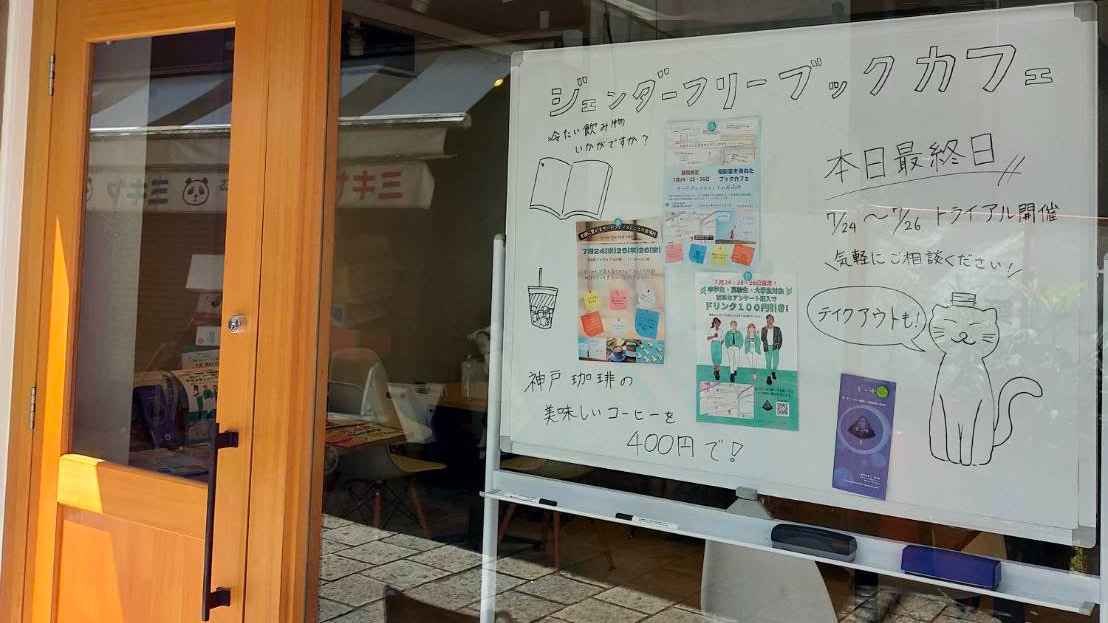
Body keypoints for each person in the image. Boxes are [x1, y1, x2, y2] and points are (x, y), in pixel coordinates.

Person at [761, 314, 782, 385]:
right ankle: (768, 377)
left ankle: (773, 372)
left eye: (771, 319)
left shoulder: (777, 329)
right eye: (768, 319)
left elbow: (780, 338)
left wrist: (778, 347)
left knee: (776, 362)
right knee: (768, 362)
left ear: (773, 320)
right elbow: (762, 339)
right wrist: (766, 330)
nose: (769, 320)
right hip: (767, 347)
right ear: (766, 320)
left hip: (775, 347)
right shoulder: (763, 329)